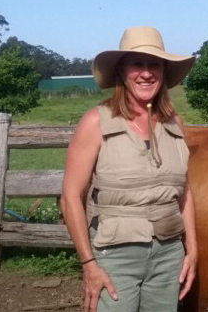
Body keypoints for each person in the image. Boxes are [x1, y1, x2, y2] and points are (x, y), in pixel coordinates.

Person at [60, 26, 197, 312]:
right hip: (115, 254)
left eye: (154, 64)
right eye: (137, 63)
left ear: (163, 71)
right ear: (122, 71)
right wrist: (88, 263)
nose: (146, 73)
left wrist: (192, 249)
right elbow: (71, 196)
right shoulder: (96, 122)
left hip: (169, 253)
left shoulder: (174, 124)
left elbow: (184, 193)